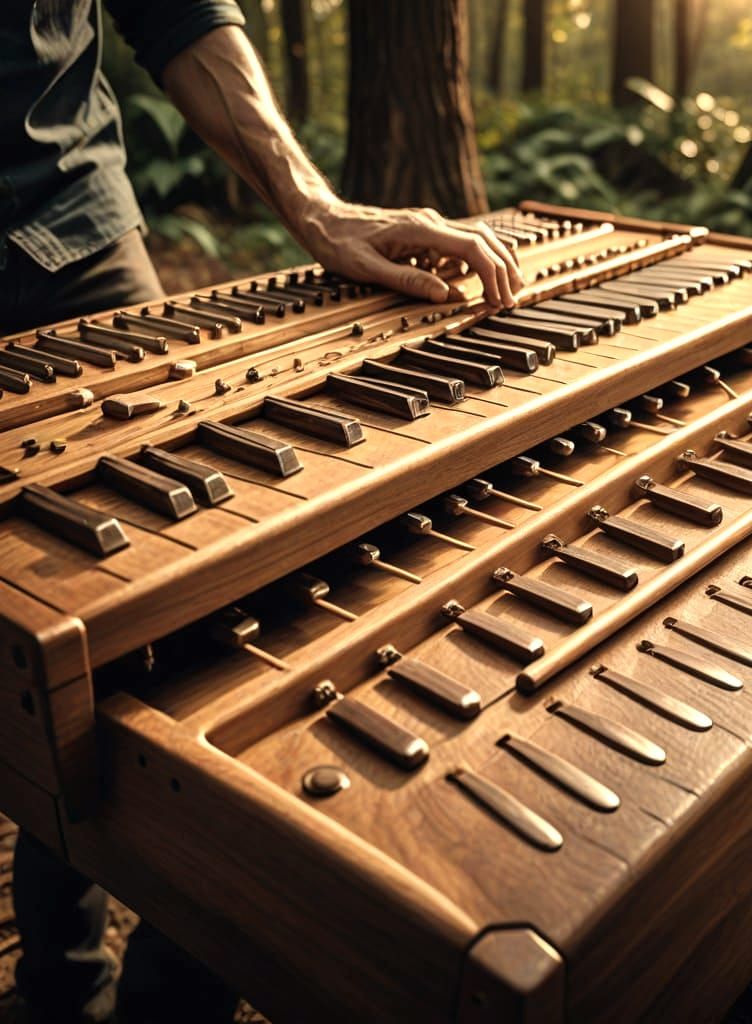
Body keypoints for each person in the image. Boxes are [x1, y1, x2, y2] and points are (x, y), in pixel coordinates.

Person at [0, 2, 521, 1022]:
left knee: (188, 637)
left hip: (72, 229)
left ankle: (170, 993)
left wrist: (316, 206)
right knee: (27, 660)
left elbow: (174, 8)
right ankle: (58, 989)